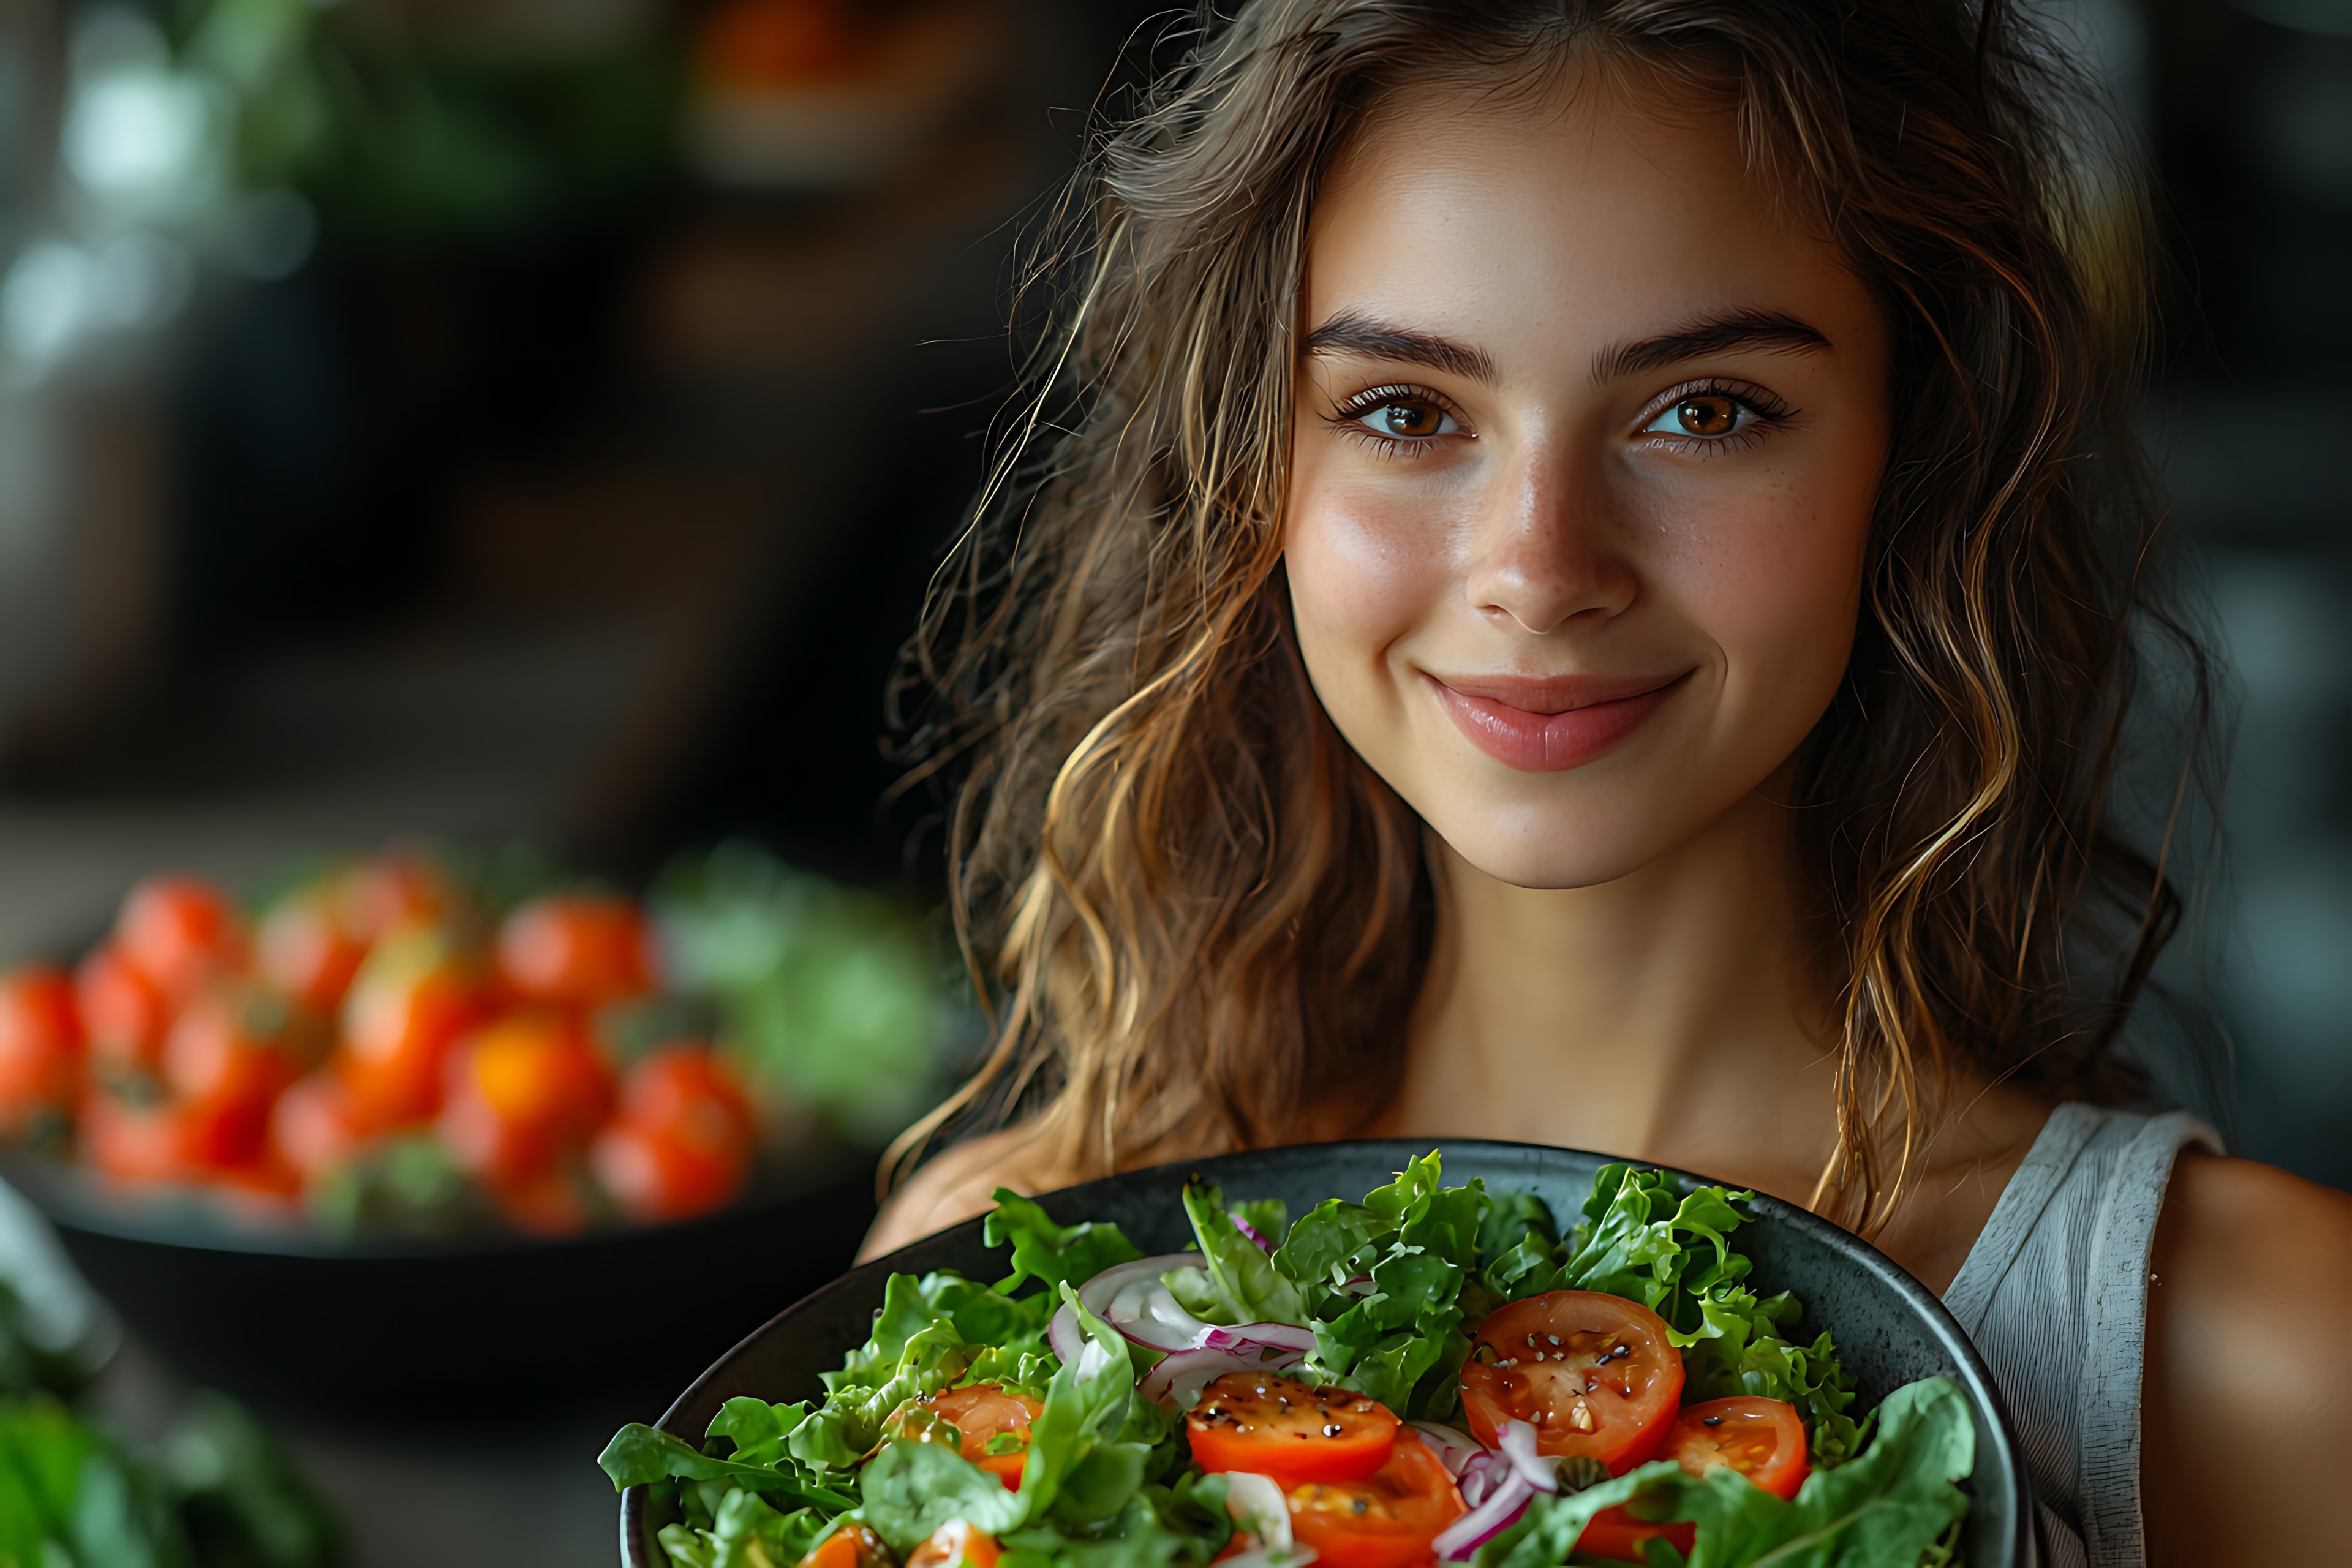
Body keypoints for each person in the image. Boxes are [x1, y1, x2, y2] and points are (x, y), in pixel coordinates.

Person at [861, 2, 2352, 1562]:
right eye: (1405, 411)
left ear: (1916, 459)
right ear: (1254, 478)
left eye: (1703, 411)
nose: (1540, 569)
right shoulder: (989, 1300)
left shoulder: (2252, 1354)